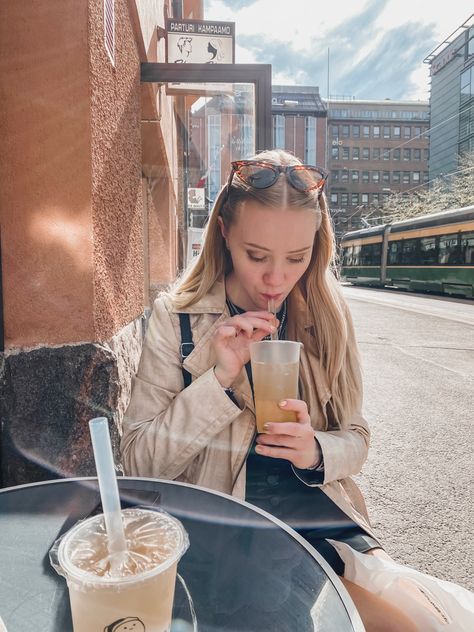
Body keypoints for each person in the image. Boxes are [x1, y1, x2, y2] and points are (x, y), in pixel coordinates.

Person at [121, 149, 418, 632]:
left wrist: (315, 450)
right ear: (224, 235)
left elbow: (357, 437)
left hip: (317, 512)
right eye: (256, 255)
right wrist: (218, 382)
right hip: (226, 525)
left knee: (413, 617)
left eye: (296, 258)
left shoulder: (327, 317)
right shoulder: (177, 318)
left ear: (316, 247)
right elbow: (139, 463)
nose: (276, 278)